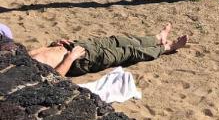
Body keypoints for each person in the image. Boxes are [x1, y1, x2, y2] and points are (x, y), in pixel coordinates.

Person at [29, 23, 188, 78]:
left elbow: (45, 54)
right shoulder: (23, 74)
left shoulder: (15, 58)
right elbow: (54, 77)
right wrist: (70, 58)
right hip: (82, 59)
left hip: (75, 47)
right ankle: (168, 47)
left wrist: (55, 44)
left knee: (120, 40)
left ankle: (157, 39)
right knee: (128, 52)